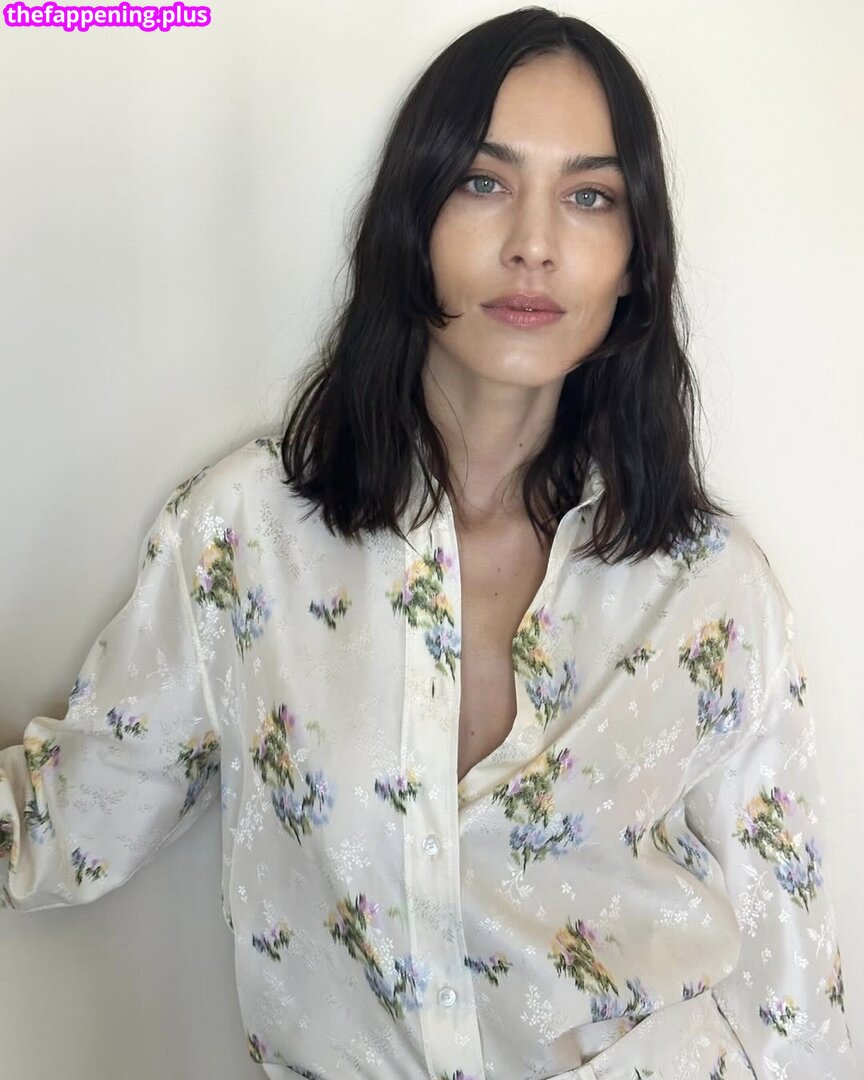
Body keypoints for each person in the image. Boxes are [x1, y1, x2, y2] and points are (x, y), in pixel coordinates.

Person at [1, 7, 856, 1079]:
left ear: (635, 261)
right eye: (484, 182)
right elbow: (73, 824)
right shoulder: (249, 537)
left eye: (590, 196)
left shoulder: (711, 586)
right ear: (413, 217)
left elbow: (791, 995)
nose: (534, 243)